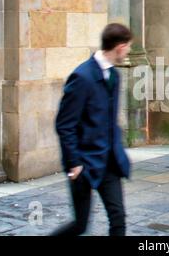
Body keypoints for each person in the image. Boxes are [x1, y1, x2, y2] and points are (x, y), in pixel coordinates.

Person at [51, 23, 133, 236]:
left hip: (109, 162)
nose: (129, 51)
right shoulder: (82, 77)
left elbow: (108, 120)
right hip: (84, 163)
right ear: (120, 47)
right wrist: (73, 162)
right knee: (80, 225)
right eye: (128, 47)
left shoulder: (114, 76)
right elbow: (65, 124)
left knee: (118, 219)